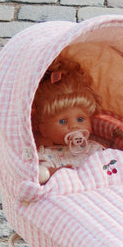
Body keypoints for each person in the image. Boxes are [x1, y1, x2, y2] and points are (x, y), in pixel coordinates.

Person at [32, 55, 105, 183]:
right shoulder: (47, 155)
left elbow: (112, 166)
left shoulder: (95, 148)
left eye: (81, 119)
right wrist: (53, 173)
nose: (74, 127)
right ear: (44, 130)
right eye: (62, 122)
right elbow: (38, 176)